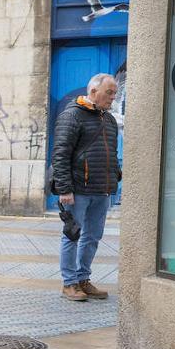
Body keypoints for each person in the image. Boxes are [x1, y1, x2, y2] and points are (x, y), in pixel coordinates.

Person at [51, 73, 122, 301]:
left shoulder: (109, 120)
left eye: (114, 93)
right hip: (77, 190)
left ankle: (83, 279)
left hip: (102, 189)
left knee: (93, 237)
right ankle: (69, 283)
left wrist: (115, 176)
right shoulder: (71, 116)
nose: (113, 97)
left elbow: (111, 153)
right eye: (109, 93)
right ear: (93, 92)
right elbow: (60, 154)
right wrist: (64, 189)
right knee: (72, 235)